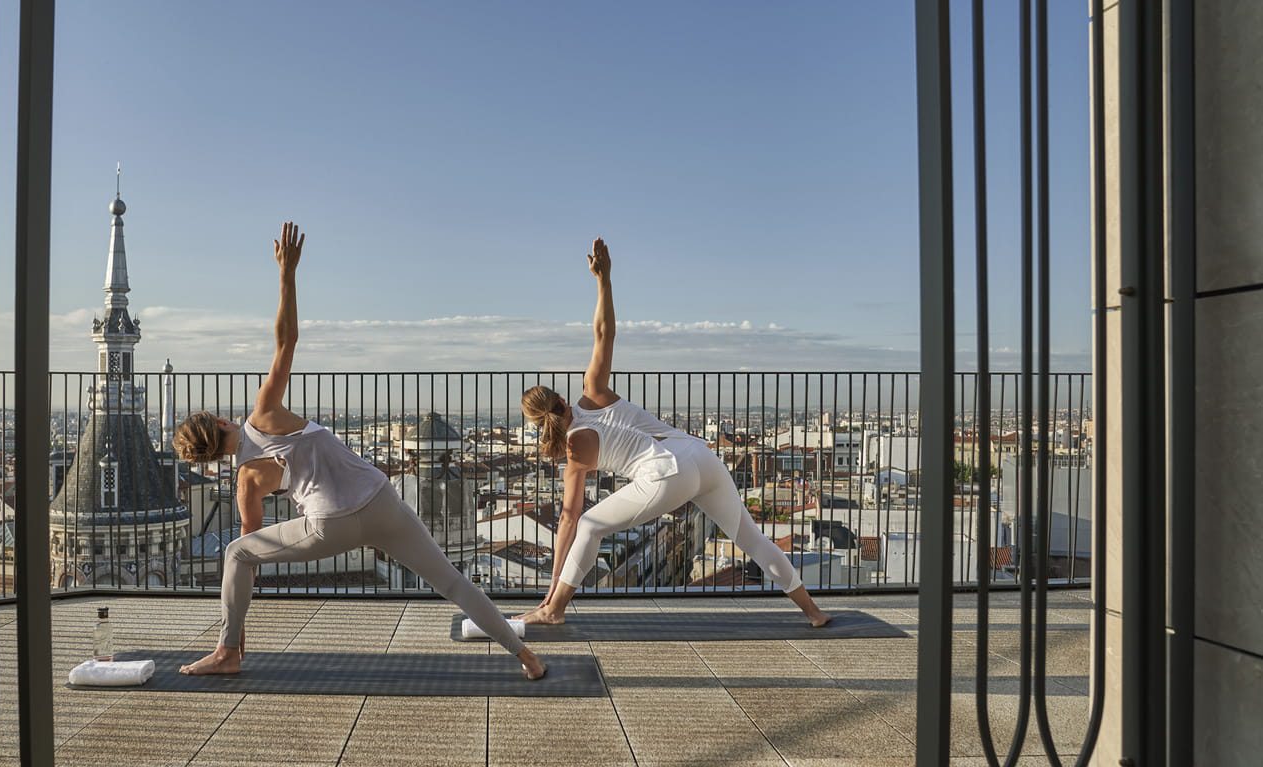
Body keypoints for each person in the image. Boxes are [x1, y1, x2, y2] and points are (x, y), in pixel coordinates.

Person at [174, 222, 547, 679]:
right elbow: (286, 341)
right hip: (380, 498)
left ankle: (227, 654)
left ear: (209, 457)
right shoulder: (265, 414)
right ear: (219, 421)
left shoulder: (246, 480)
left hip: (329, 525)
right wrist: (287, 273)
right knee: (452, 581)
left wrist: (237, 638)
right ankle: (526, 657)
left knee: (235, 552)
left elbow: (248, 560)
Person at [515, 237, 831, 628]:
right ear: (561, 396)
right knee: (750, 537)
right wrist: (604, 279)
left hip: (667, 473)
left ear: (536, 425)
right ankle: (814, 612)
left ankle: (553, 610)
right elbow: (603, 333)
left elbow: (568, 520)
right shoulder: (593, 393)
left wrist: (552, 587)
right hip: (700, 455)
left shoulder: (574, 451)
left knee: (590, 526)